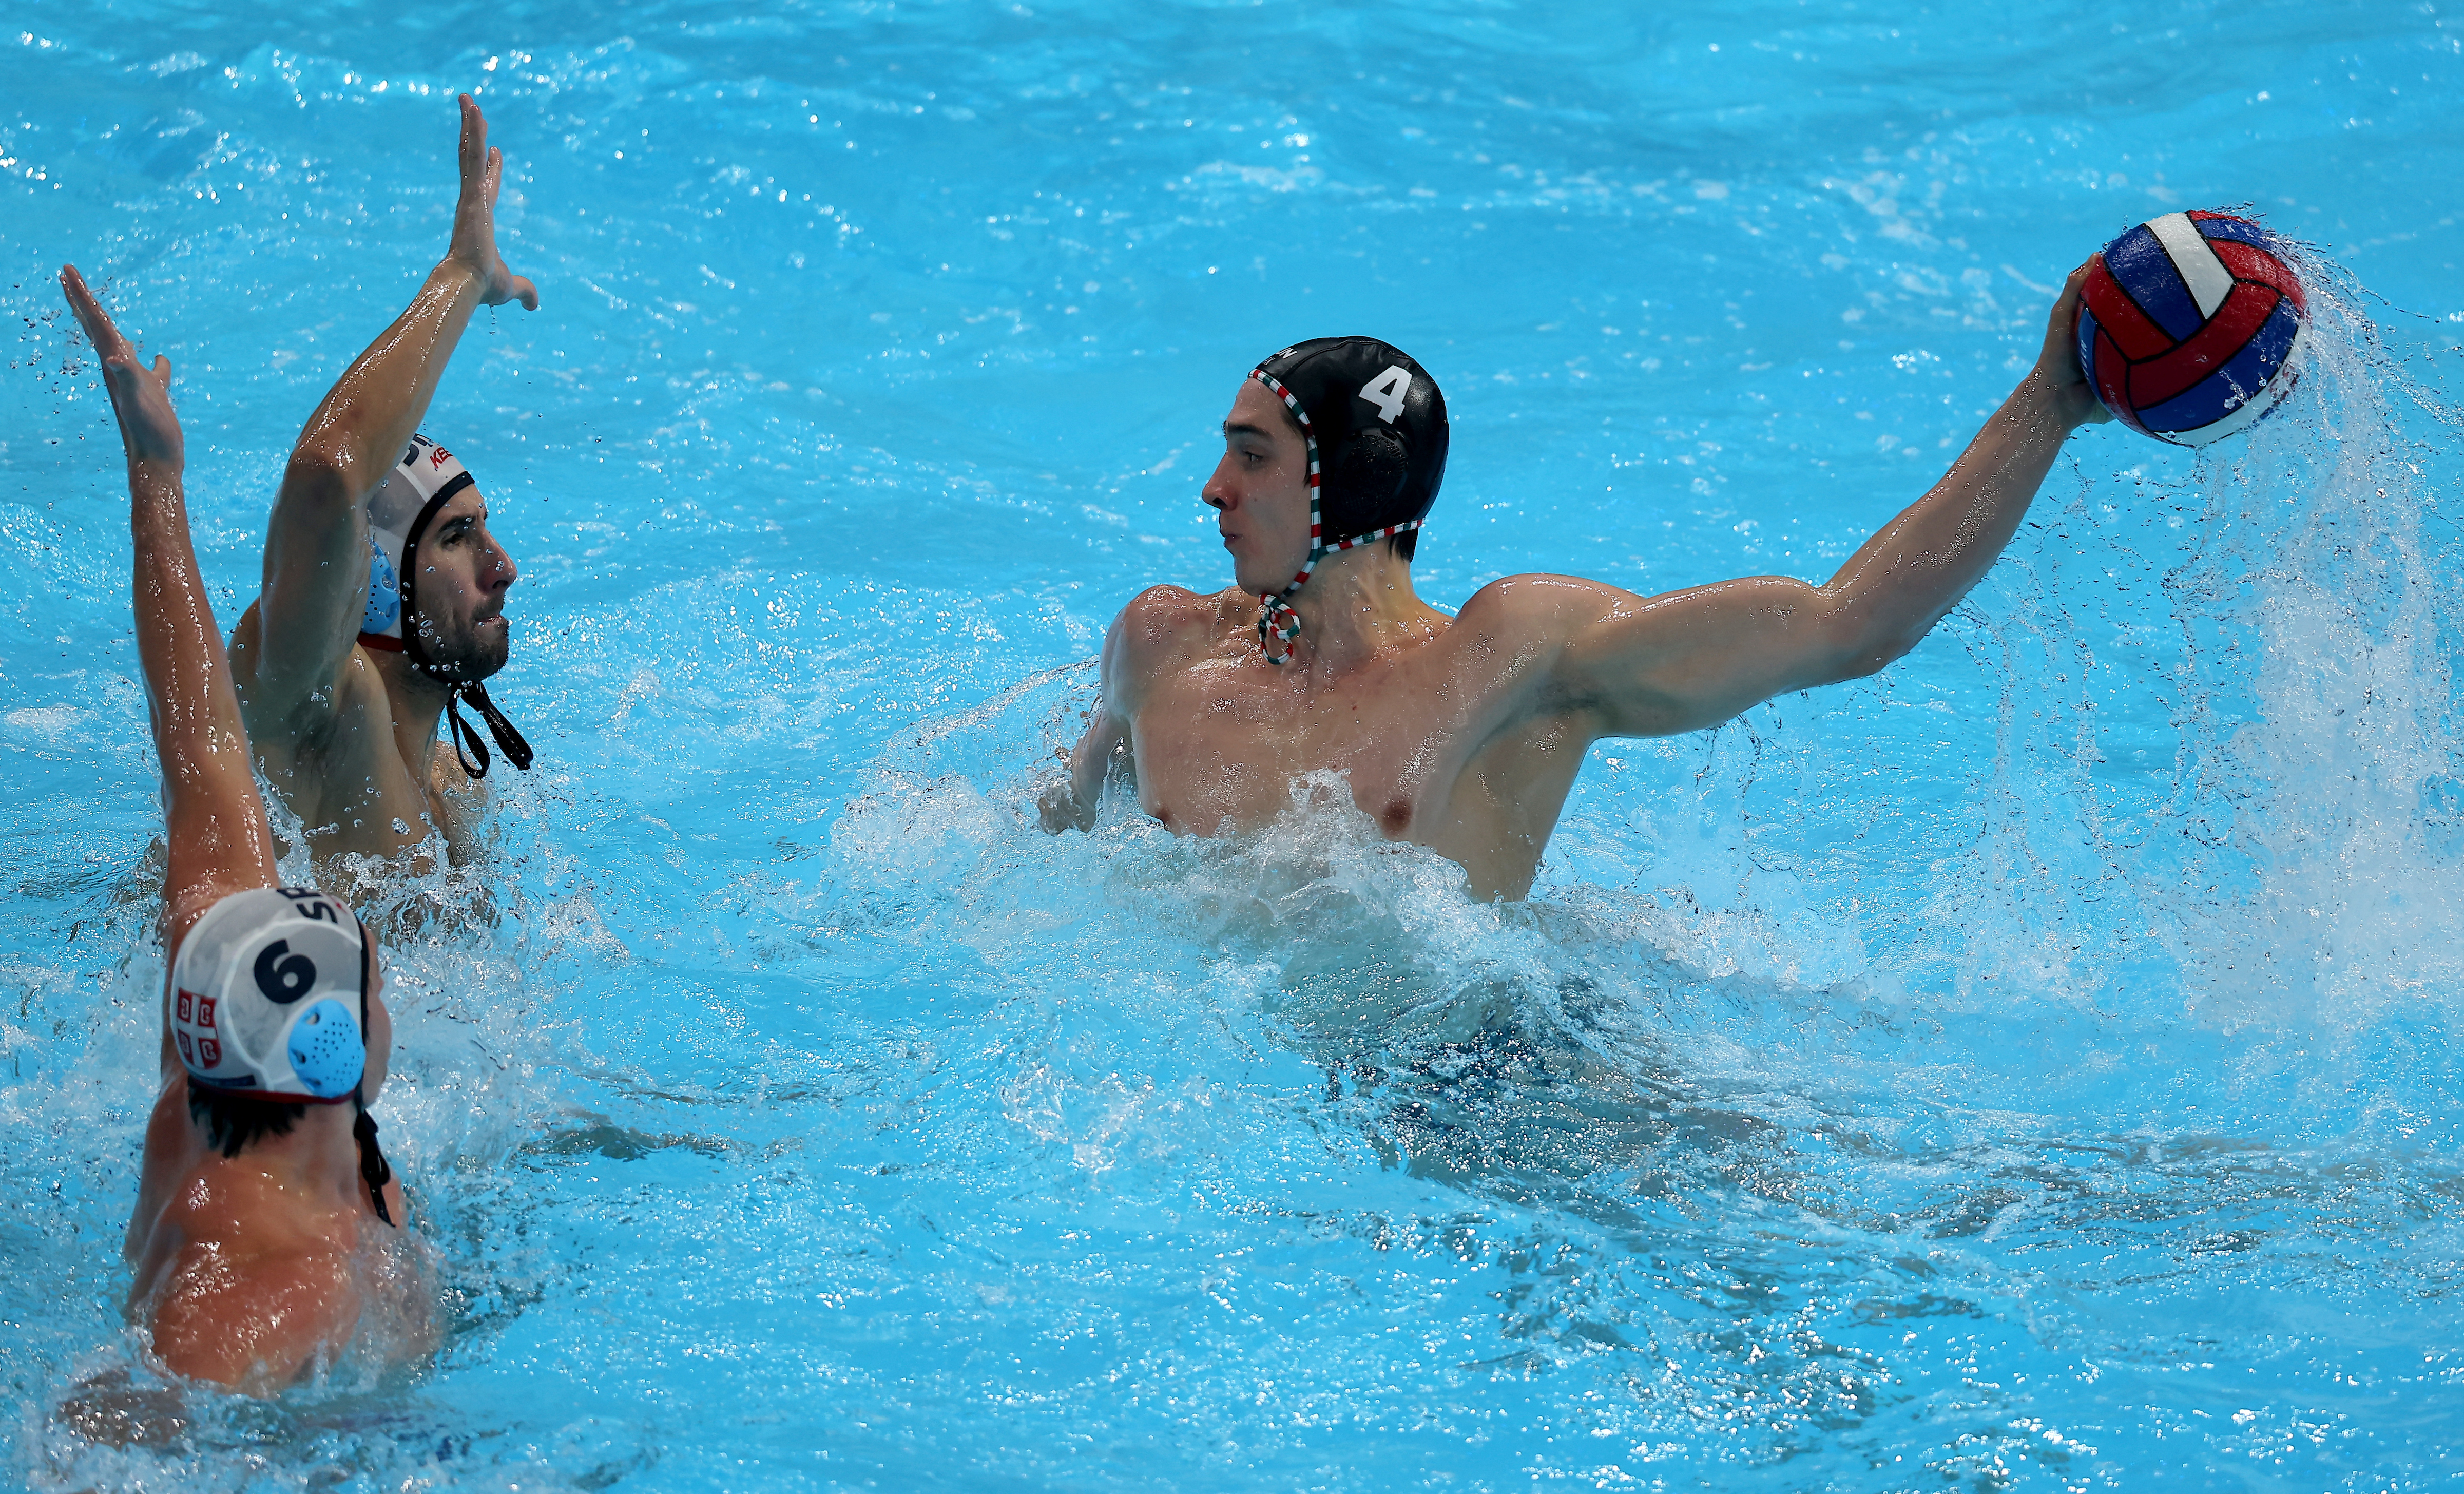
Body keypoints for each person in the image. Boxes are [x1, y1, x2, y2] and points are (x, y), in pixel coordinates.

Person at [1041, 266, 2112, 901]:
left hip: (1478, 1086)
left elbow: (1851, 626)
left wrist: (2049, 403)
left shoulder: (1511, 661)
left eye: (1253, 455)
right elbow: (1047, 850)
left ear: (1350, 481)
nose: (1214, 488)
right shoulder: (1161, 646)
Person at [61, 265, 429, 1391]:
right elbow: (115, 1430)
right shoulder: (258, 1296)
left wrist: (156, 477)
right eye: (374, 985)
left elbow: (201, 752)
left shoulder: (211, 1090)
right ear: (334, 1050)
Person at [227, 93, 538, 882]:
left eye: (483, 528)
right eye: (457, 537)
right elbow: (324, 477)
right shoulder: (317, 717)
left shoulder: (451, 782)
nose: (503, 567)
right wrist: (462, 276)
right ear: (376, 587)